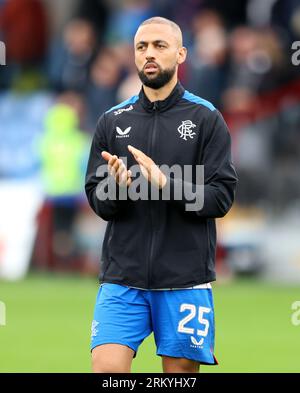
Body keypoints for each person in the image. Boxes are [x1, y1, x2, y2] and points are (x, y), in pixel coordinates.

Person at [85, 16, 238, 373]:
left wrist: (166, 184)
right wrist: (117, 189)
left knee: (179, 376)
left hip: (185, 281)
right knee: (107, 369)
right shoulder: (112, 120)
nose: (149, 54)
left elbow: (221, 198)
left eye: (159, 45)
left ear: (181, 54)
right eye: (141, 47)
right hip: (123, 278)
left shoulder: (206, 119)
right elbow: (97, 198)